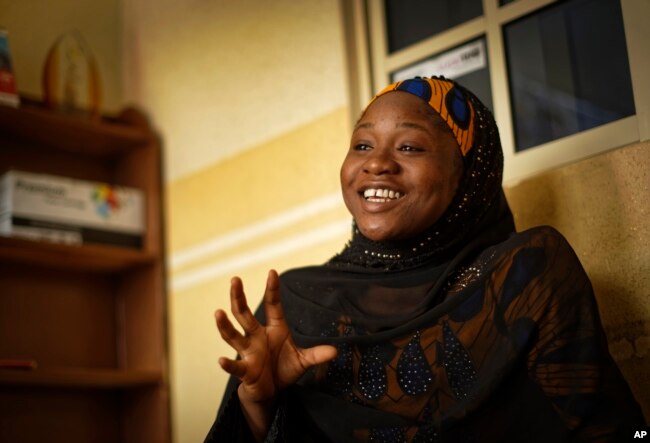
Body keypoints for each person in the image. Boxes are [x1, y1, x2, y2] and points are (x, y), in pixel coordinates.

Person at [204, 76, 645, 442]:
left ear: (469, 174)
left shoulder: (524, 276)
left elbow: (623, 433)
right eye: (362, 145)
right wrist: (256, 407)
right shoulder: (296, 305)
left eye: (409, 148)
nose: (377, 164)